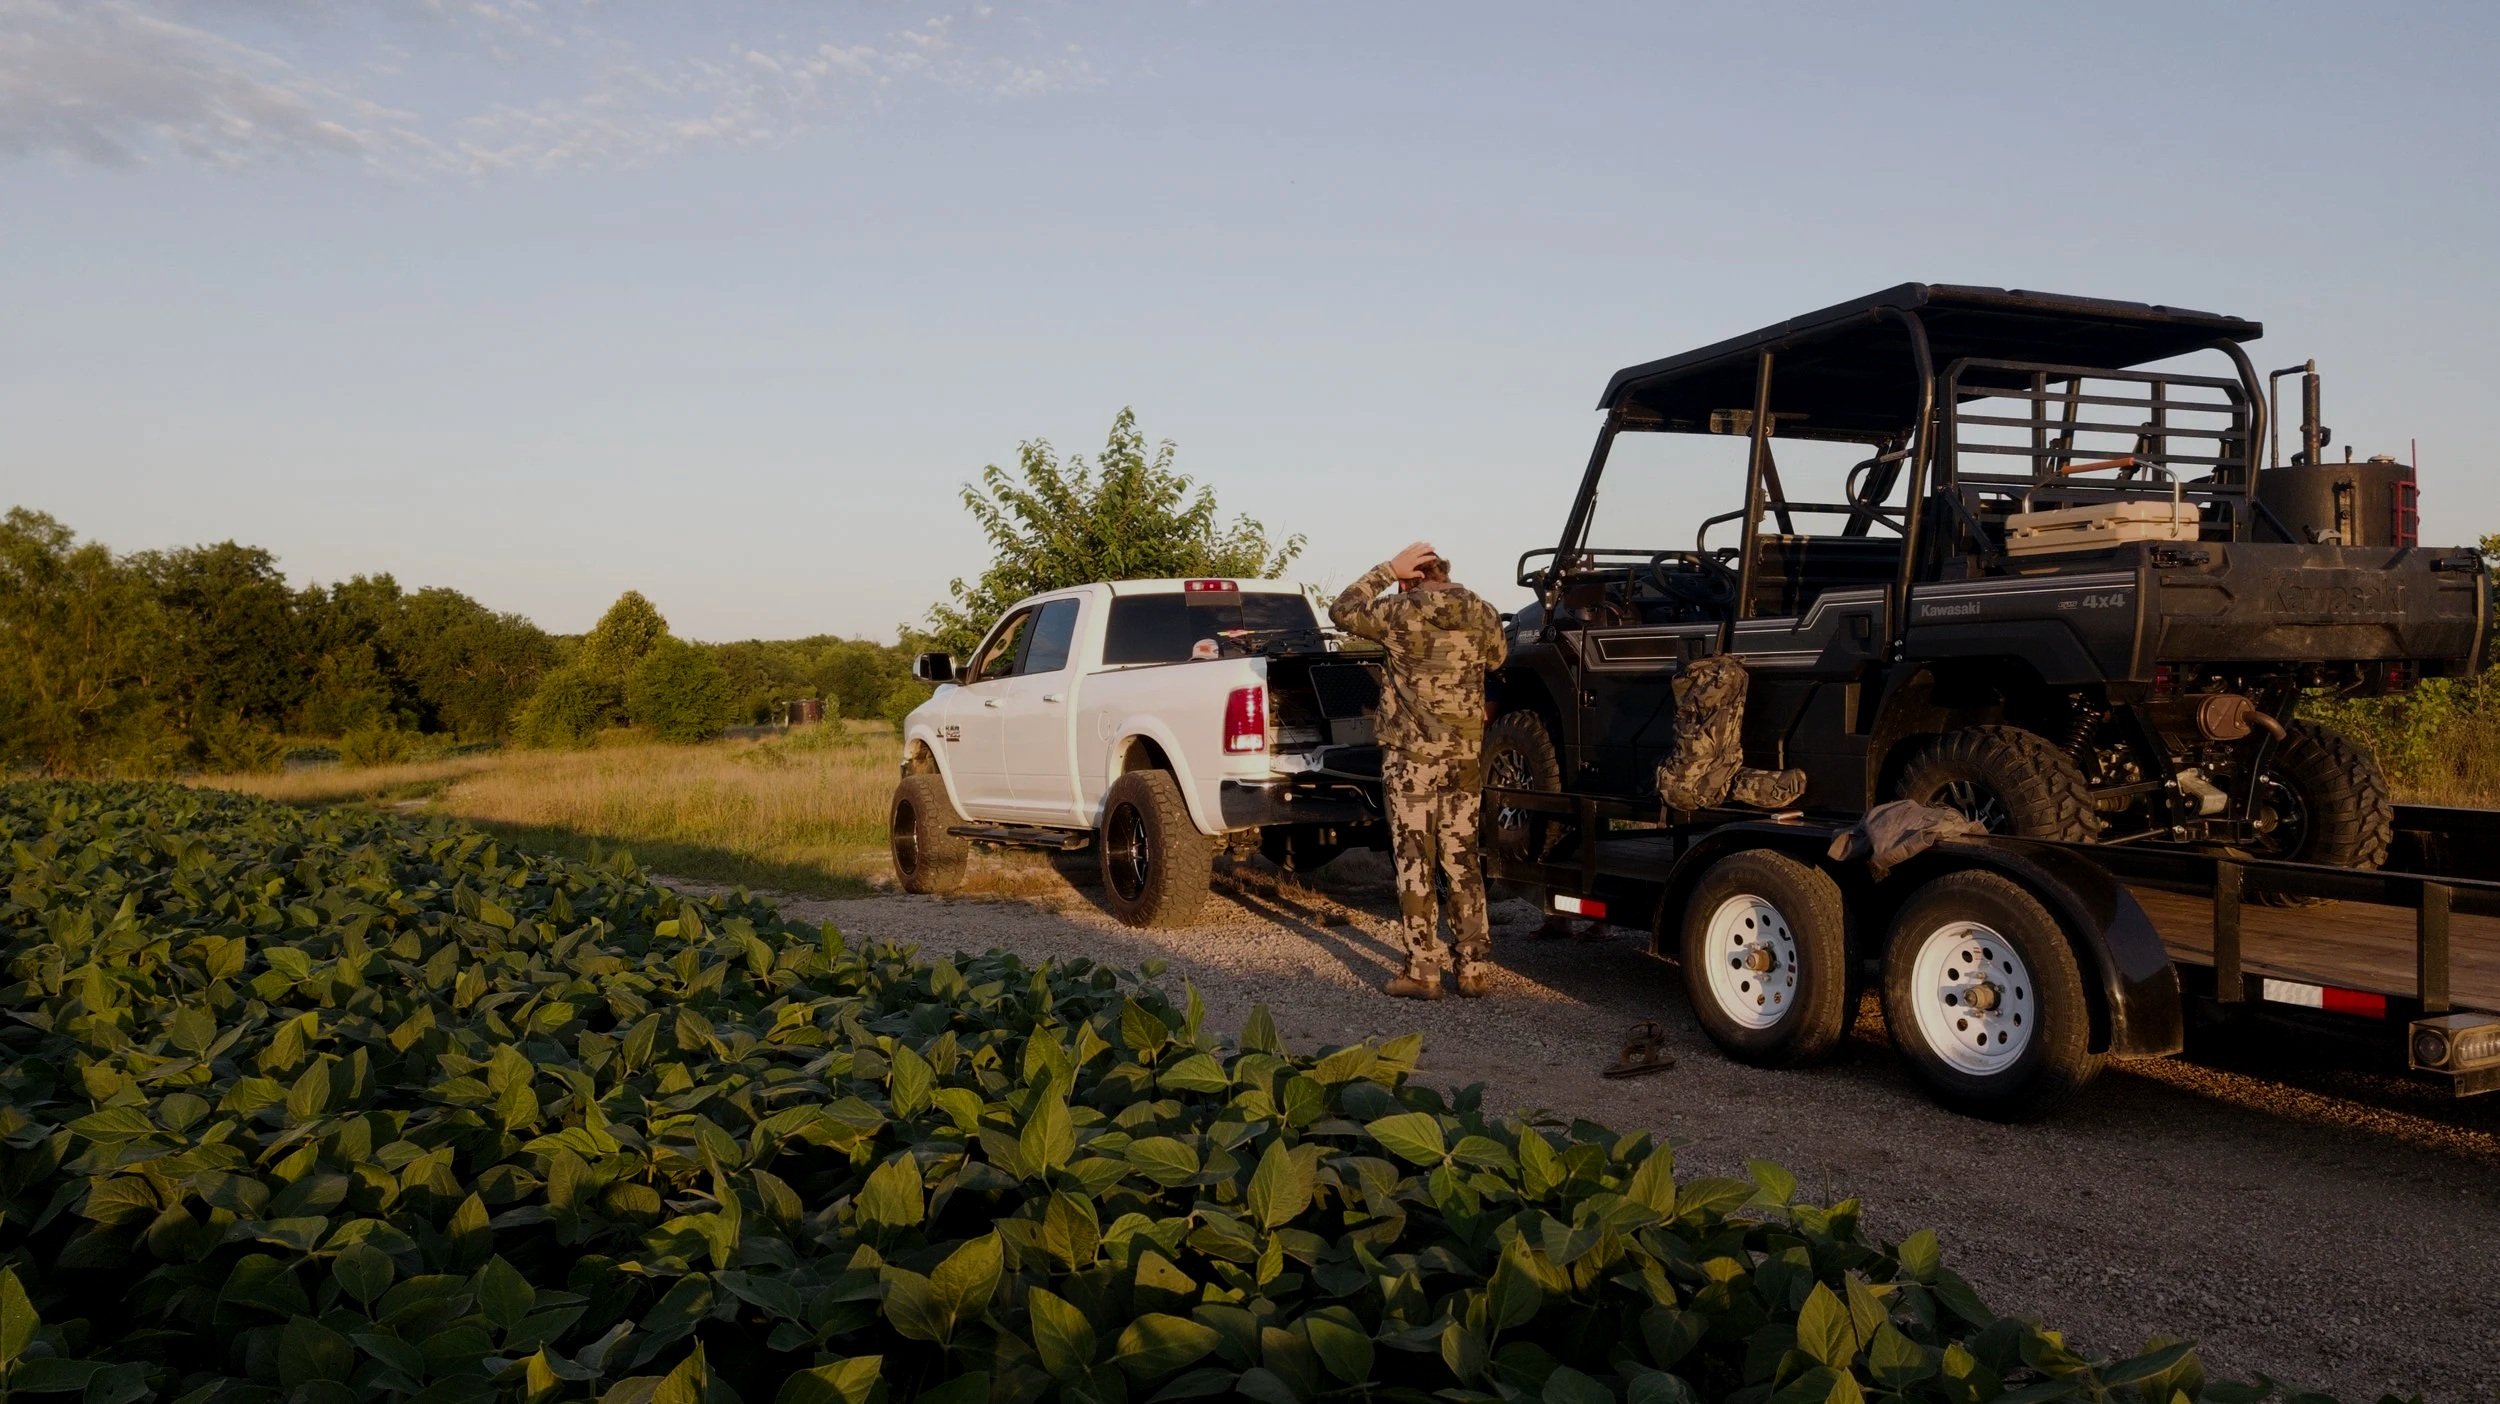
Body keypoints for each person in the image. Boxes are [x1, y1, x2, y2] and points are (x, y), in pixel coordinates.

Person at [1330, 541, 1508, 999]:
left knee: (1415, 861)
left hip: (1411, 760)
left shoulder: (1399, 611)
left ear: (1410, 578)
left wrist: (1386, 569)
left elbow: (1342, 609)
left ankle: (1423, 972)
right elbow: (1498, 660)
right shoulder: (1483, 611)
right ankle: (1471, 970)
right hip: (1463, 757)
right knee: (1462, 859)